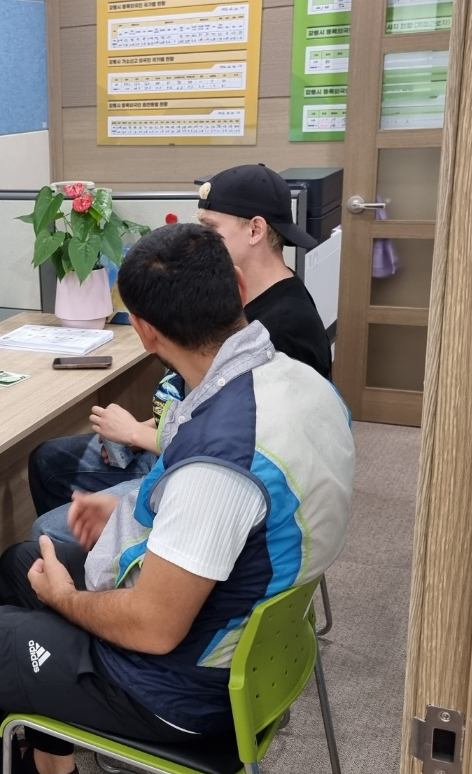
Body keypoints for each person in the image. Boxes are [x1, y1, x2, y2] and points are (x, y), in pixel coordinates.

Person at [0, 223, 354, 774]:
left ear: (145, 333)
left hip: (181, 690)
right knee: (21, 563)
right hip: (256, 637)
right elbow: (238, 505)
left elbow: (153, 626)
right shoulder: (293, 381)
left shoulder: (220, 464)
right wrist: (128, 507)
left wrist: (65, 598)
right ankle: (56, 765)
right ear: (239, 289)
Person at [27, 163, 334, 541]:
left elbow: (253, 448)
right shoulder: (232, 297)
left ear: (255, 230)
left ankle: (109, 562)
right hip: (180, 438)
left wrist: (139, 435)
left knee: (46, 534)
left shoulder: (283, 327)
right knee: (49, 458)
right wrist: (143, 430)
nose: (200, 242)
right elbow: (203, 401)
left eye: (210, 230)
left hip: (212, 474)